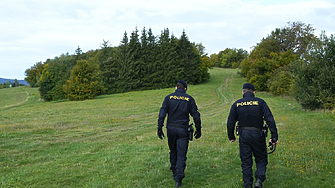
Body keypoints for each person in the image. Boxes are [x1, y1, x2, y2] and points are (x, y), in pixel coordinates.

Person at [227, 83, 278, 188]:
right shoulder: (260, 102)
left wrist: (231, 136)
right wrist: (274, 137)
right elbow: (270, 119)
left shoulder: (237, 104)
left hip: (244, 135)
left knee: (246, 161)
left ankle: (247, 185)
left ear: (243, 92)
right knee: (261, 158)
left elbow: (230, 122)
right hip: (258, 134)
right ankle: (259, 179)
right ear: (254, 92)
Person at [157, 80, 201, 187]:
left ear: (176, 87)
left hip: (171, 129)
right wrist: (198, 129)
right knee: (181, 154)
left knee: (173, 151)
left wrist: (159, 128)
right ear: (185, 88)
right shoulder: (189, 99)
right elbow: (196, 115)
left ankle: (174, 172)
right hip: (183, 129)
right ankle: (179, 179)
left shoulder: (168, 98)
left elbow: (162, 113)